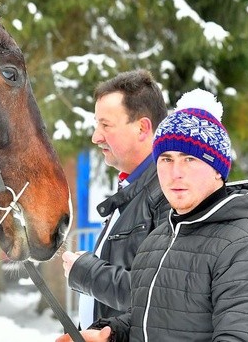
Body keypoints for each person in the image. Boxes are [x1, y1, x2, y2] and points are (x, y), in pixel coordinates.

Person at [57, 88, 248, 342]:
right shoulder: (160, 238)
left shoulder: (243, 243)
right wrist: (110, 335)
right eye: (165, 159)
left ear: (218, 169)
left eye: (189, 159)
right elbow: (152, 316)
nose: (176, 173)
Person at [61, 69, 170, 328]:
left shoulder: (168, 194)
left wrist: (86, 272)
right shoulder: (134, 189)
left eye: (105, 125)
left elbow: (160, 295)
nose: (95, 137)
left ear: (142, 128)